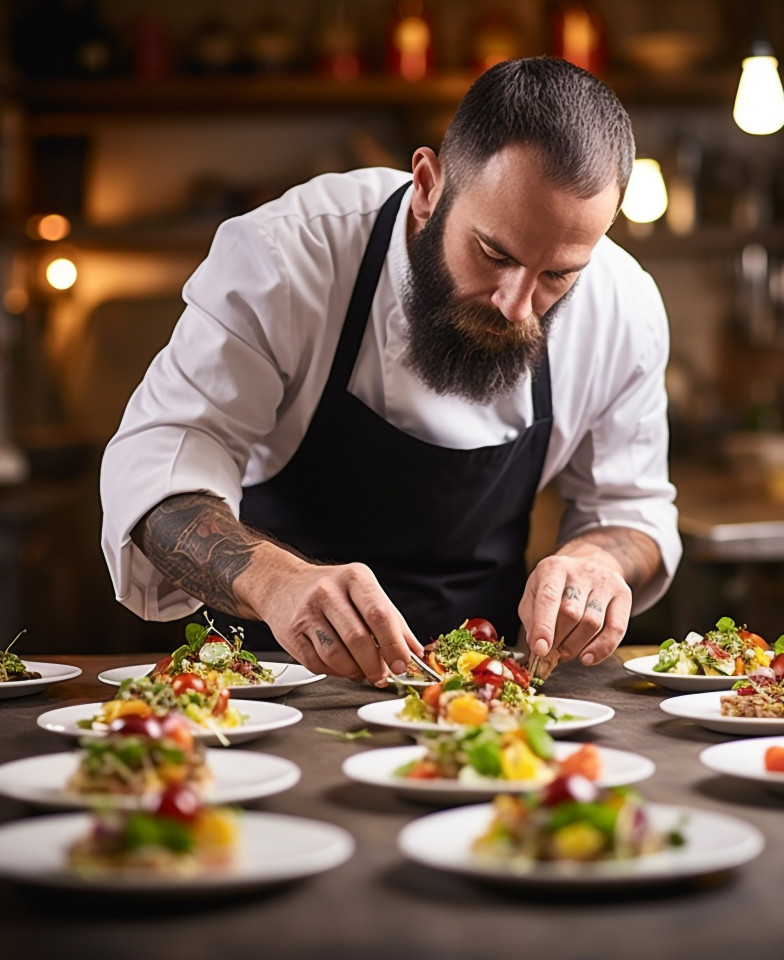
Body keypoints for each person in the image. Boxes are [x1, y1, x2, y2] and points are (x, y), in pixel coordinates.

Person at [99, 56, 681, 686]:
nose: (516, 305)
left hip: (478, 693)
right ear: (428, 187)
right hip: (263, 687)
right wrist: (278, 582)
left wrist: (597, 560)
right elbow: (158, 470)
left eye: (558, 275)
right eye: (493, 253)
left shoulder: (624, 305)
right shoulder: (286, 257)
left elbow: (633, 510)